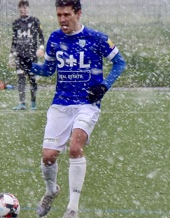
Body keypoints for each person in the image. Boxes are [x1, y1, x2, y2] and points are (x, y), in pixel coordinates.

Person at [31, 0, 126, 217]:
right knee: (48, 156)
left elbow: (120, 62)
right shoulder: (54, 39)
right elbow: (47, 70)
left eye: (66, 14)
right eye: (59, 15)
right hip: (61, 105)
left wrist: (104, 86)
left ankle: (72, 208)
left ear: (78, 13)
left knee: (75, 148)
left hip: (87, 104)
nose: (62, 20)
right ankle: (51, 190)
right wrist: (28, 66)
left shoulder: (96, 38)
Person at [9, 0, 45, 110]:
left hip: (31, 55)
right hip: (20, 55)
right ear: (19, 9)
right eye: (21, 7)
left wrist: (41, 48)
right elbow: (14, 40)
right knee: (20, 78)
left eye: (25, 7)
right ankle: (22, 103)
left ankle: (33, 102)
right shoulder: (16, 23)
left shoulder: (35, 21)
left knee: (32, 78)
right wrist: (11, 55)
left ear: (28, 8)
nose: (23, 9)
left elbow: (41, 36)